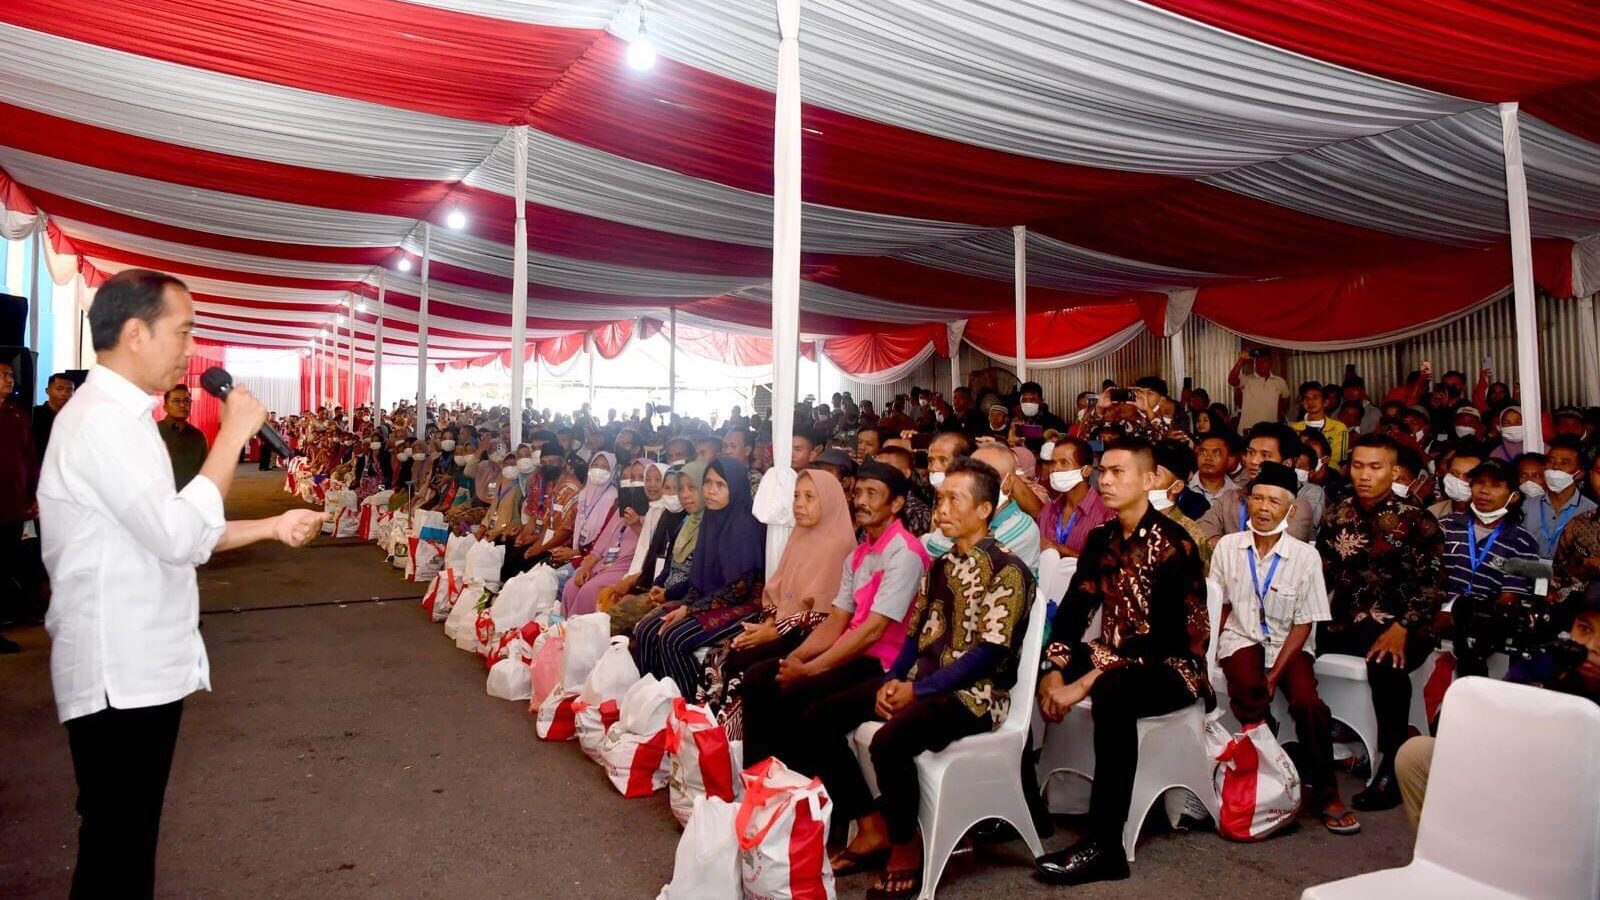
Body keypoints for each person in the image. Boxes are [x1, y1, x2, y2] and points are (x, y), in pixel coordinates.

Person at [39, 269, 325, 899]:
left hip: (141, 663)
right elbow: (176, 536)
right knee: (118, 848)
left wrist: (273, 525)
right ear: (136, 333)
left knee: (128, 842)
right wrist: (232, 435)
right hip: (119, 668)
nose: (191, 349)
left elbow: (178, 534)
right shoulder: (101, 423)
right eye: (183, 331)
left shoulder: (123, 418)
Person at [798, 457, 1033, 899]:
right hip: (922, 682)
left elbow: (988, 655)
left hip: (976, 697)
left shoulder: (1008, 569)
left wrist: (917, 690)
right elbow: (912, 638)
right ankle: (870, 824)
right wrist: (893, 679)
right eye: (940, 498)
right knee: (818, 717)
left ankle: (906, 848)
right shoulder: (940, 566)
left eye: (954, 500)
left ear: (984, 510)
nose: (941, 509)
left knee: (891, 741)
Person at [1034, 438, 1210, 886]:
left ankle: (1105, 846)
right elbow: (1074, 613)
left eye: (1118, 472)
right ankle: (1023, 804)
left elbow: (1169, 640)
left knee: (1113, 694)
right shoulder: (1101, 539)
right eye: (1103, 472)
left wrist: (1086, 680)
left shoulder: (1175, 546)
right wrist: (1054, 670)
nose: (1106, 481)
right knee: (1033, 662)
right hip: (1115, 656)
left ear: (1149, 480)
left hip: (1172, 667)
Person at [741, 461, 930, 770]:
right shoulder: (859, 553)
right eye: (858, 493)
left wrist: (810, 670)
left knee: (805, 704)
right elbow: (836, 620)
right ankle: (763, 780)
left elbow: (873, 631)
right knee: (761, 677)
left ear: (895, 503)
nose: (861, 501)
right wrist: (796, 659)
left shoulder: (904, 553)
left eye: (873, 493)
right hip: (853, 654)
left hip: (883, 663)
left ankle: (839, 805)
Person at [1212, 462, 1354, 834]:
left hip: (1290, 643)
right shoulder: (1228, 547)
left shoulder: (1306, 557)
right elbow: (1220, 604)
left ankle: (1327, 793)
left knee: (1308, 705)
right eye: (1257, 498)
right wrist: (1209, 651)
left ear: (1289, 510)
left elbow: (1304, 624)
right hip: (1241, 636)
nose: (1263, 508)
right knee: (1249, 692)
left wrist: (1275, 675)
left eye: (1274, 501)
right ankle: (1270, 787)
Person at [1397, 587, 1600, 832]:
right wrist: (1541, 674)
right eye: (1585, 628)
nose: (1592, 646)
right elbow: (1502, 717)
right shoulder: (1553, 660)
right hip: (1518, 771)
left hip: (1573, 801)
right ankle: (1448, 855)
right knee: (1415, 755)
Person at [1315, 433, 1446, 811]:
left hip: (1406, 626)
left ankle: (1392, 765)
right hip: (1346, 623)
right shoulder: (1336, 515)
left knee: (1387, 666)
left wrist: (1403, 626)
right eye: (1357, 466)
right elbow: (1320, 575)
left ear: (1394, 470)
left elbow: (1434, 585)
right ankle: (1305, 749)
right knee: (1291, 650)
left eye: (1375, 467)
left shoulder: (1417, 521)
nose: (1364, 475)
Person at [700, 469, 856, 737]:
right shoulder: (800, 534)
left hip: (810, 636)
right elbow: (779, 587)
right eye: (796, 496)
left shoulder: (838, 545)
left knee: (743, 662)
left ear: (829, 501)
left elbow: (822, 615)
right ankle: (708, 734)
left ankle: (732, 741)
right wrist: (769, 623)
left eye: (809, 497)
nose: (799, 504)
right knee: (719, 653)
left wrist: (774, 631)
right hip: (782, 625)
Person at [632, 458, 765, 693]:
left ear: (734, 488)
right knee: (646, 629)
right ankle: (653, 699)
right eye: (708, 483)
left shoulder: (744, 525)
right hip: (710, 597)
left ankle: (687, 705)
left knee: (673, 638)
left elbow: (738, 589)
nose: (711, 491)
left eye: (720, 485)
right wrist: (686, 603)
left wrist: (689, 609)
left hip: (743, 604)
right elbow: (698, 577)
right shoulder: (711, 519)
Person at [1438, 459, 1540, 677]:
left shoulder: (1526, 542)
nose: (1484, 490)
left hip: (1484, 625)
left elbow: (1510, 598)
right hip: (1436, 615)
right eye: (1479, 482)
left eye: (1495, 485)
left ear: (1513, 496)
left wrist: (1465, 616)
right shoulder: (1445, 525)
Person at [925, 443, 1041, 575]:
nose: (977, 483)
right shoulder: (972, 514)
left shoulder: (1022, 527)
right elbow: (933, 544)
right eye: (972, 475)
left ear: (1008, 483)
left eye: (988, 477)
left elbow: (965, 558)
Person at [1197, 423, 1315, 544]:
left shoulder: (1296, 506)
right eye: (1251, 452)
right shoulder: (1231, 497)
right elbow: (1200, 529)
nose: (1253, 461)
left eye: (1265, 455)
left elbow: (1276, 548)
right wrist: (1227, 552)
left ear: (1287, 463)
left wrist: (1228, 549)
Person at [561, 474, 649, 617]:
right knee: (572, 585)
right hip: (605, 564)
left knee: (590, 589)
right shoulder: (621, 511)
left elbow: (649, 550)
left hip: (625, 567)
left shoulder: (652, 513)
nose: (635, 483)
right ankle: (565, 630)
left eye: (641, 477)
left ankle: (581, 633)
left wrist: (636, 526)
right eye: (633, 477)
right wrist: (586, 567)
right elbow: (599, 548)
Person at [0, 360, 38, 653]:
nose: (9, 379)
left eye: (11, 374)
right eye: (3, 375)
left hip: (13, 504)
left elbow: (29, 458)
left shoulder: (17, 413)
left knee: (5, 566)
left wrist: (34, 494)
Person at [1036, 437, 1113, 558]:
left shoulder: (1106, 514)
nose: (1055, 469)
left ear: (1086, 471)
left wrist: (1064, 551)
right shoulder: (1048, 510)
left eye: (1064, 463)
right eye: (1053, 463)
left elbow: (1108, 566)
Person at [1527, 435, 1595, 559]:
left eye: (1565, 463)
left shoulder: (1590, 512)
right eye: (1551, 461)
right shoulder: (1525, 506)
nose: (1556, 467)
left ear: (1579, 473)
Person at [158, 384, 210, 491]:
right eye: (176, 401)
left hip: (191, 498)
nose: (182, 405)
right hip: (159, 499)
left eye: (187, 401)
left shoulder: (198, 436)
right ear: (165, 407)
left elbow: (204, 472)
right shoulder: (154, 431)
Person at [1230, 349, 1290, 430]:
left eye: (1264, 361)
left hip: (1270, 428)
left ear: (1271, 362)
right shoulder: (1247, 380)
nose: (1261, 364)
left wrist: (1279, 415)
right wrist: (1241, 359)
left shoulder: (1280, 381)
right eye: (1258, 361)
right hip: (1248, 428)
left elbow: (1285, 398)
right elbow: (1232, 380)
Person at [1292, 381, 1348, 468]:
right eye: (1307, 398)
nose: (1310, 402)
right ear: (1302, 403)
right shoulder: (1294, 428)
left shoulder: (1338, 428)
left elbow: (1339, 461)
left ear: (1325, 402)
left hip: (1329, 473)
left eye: (1315, 397)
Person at [32, 372, 74, 461]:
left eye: (69, 390)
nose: (64, 393)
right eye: (59, 389)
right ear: (47, 391)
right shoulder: (35, 414)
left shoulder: (75, 417)